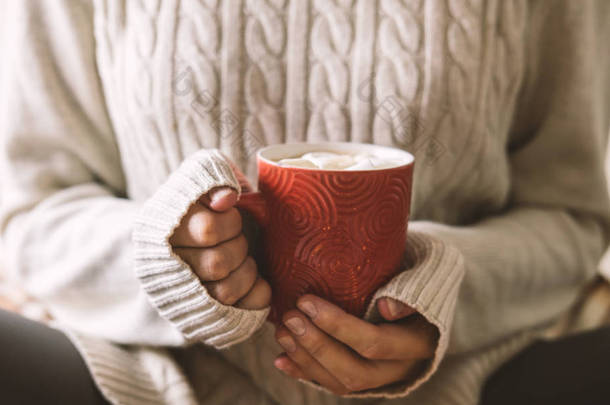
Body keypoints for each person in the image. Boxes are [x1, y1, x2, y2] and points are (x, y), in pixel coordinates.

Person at [1, 0, 609, 404]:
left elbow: (571, 217)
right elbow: (29, 214)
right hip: (144, 376)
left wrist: (444, 294)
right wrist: (160, 262)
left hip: (467, 379)